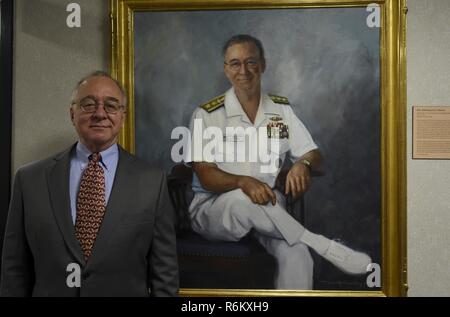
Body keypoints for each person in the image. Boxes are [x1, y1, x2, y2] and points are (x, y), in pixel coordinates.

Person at [187, 34, 371, 289]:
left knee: (298, 256)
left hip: (271, 212)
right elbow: (206, 174)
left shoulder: (280, 111)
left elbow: (315, 156)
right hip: (215, 210)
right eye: (235, 63)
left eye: (251, 62)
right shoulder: (206, 115)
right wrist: (243, 181)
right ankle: (320, 243)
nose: (244, 71)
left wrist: (302, 164)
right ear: (226, 69)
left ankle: (308, 246)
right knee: (244, 198)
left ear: (262, 65)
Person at [0, 71, 179, 296]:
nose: (100, 113)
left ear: (122, 117)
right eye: (88, 104)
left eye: (111, 105)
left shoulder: (153, 181)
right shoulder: (29, 180)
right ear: (72, 114)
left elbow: (165, 276)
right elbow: (13, 271)